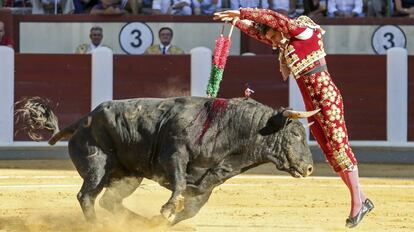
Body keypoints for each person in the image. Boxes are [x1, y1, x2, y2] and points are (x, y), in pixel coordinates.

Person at [214, 8, 374, 228]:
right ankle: (362, 198)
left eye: (273, 35)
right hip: (313, 104)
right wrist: (237, 20)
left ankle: (357, 202)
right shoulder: (286, 40)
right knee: (330, 151)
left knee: (339, 147)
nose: (272, 41)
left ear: (279, 29)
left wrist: (242, 11)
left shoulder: (301, 31)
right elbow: (259, 32)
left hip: (326, 97)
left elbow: (273, 18)